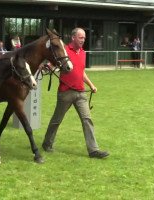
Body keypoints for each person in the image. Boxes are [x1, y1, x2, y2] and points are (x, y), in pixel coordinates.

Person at [42, 27, 109, 159]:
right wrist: (48, 67)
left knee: (87, 120)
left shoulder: (83, 53)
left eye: (84, 38)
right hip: (65, 92)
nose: (83, 40)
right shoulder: (65, 50)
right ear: (73, 37)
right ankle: (47, 143)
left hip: (80, 93)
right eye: (81, 37)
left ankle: (93, 150)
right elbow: (54, 64)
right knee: (57, 120)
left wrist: (91, 85)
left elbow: (81, 72)